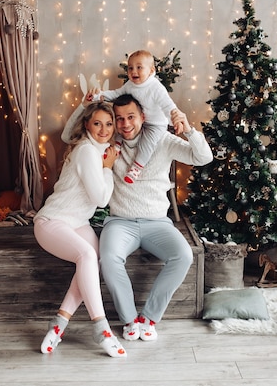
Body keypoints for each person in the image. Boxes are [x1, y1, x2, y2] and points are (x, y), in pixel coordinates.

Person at [62, 93, 213, 342]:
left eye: (131, 117)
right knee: (108, 259)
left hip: (157, 223)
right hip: (120, 222)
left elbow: (203, 158)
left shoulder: (162, 140)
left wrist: (188, 131)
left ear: (143, 117)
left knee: (184, 255)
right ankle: (130, 320)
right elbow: (69, 137)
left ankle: (149, 318)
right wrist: (84, 105)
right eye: (118, 119)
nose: (125, 124)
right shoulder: (110, 141)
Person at [33, 100, 126, 358]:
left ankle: (58, 325)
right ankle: (102, 329)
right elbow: (101, 199)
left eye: (109, 124)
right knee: (86, 256)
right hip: (52, 221)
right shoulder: (87, 151)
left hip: (78, 223)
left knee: (93, 260)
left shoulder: (101, 149)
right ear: (86, 125)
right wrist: (107, 169)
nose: (104, 129)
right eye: (97, 123)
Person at [98, 50, 184, 184]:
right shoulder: (129, 85)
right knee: (122, 125)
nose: (134, 72)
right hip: (139, 121)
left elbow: (168, 105)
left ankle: (137, 167)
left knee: (147, 144)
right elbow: (116, 94)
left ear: (151, 70)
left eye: (139, 67)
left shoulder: (156, 87)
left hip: (155, 124)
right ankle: (117, 147)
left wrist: (175, 118)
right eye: (130, 68)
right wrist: (101, 96)